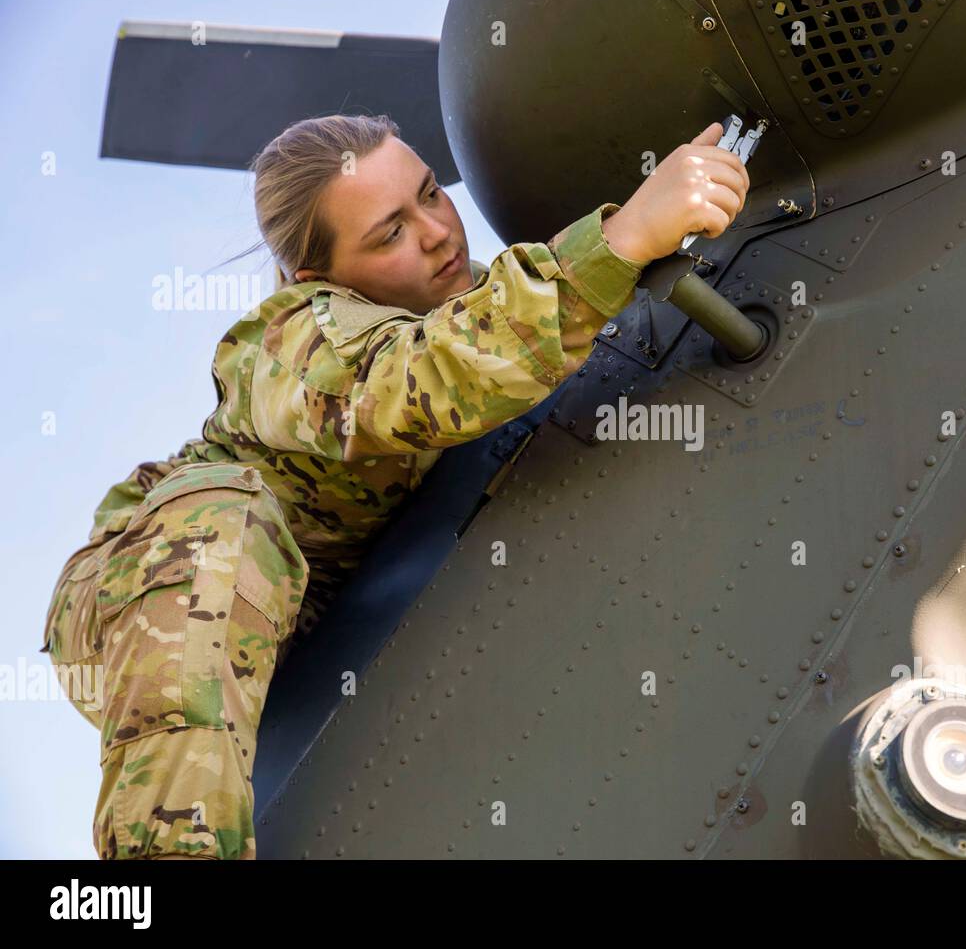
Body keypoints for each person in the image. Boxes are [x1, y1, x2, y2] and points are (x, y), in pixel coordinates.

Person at [39, 113, 750, 859]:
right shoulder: (290, 343)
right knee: (224, 519)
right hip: (153, 587)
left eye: (430, 194)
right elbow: (433, 375)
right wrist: (625, 236)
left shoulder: (492, 302)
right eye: (389, 234)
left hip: (303, 615)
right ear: (322, 280)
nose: (439, 232)